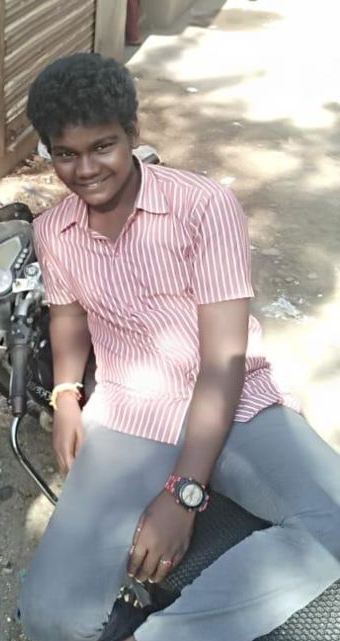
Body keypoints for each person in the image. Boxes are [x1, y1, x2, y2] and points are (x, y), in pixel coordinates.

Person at [17, 52, 340, 641]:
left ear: (132, 134)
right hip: (131, 413)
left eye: (103, 146)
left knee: (333, 520)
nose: (85, 170)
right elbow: (67, 315)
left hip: (234, 404)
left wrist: (182, 494)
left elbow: (223, 362)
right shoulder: (53, 232)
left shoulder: (203, 208)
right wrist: (65, 395)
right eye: (65, 154)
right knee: (50, 616)